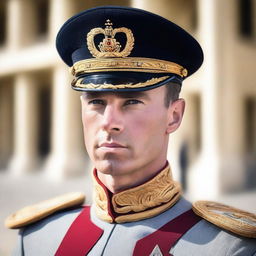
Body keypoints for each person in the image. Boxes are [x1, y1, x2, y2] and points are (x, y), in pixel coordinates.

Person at [6, 6, 256, 256]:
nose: (109, 121)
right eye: (96, 102)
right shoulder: (37, 238)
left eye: (132, 101)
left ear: (174, 115)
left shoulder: (229, 248)